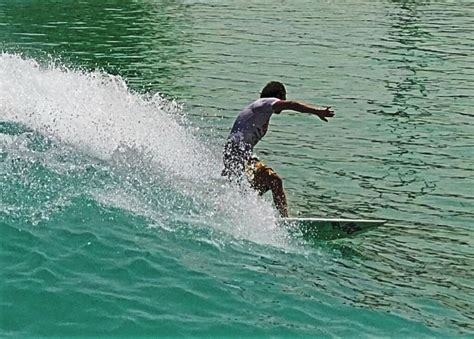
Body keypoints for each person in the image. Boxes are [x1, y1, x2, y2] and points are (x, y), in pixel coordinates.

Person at [222, 81, 335, 218]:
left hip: (239, 155)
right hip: (237, 153)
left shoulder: (260, 110)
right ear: (279, 95)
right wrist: (317, 111)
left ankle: (246, 216)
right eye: (284, 97)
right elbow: (292, 105)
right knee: (274, 181)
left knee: (258, 188)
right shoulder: (265, 103)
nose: (284, 100)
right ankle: (284, 220)